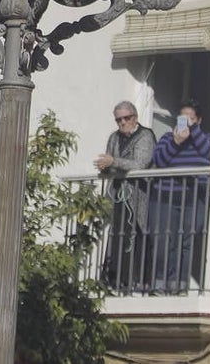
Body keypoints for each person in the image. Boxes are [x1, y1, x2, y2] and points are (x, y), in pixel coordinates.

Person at [148, 99, 210, 293]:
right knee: (163, 240)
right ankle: (160, 282)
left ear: (198, 120)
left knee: (186, 242)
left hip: (195, 197)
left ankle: (180, 284)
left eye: (190, 118)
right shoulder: (168, 138)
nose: (185, 121)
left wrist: (194, 132)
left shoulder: (206, 138)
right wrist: (176, 142)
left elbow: (208, 153)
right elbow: (159, 160)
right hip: (166, 196)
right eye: (182, 118)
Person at [94, 101, 156, 291]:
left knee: (136, 235)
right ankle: (114, 280)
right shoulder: (114, 138)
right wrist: (105, 167)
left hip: (139, 195)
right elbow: (111, 164)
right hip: (118, 194)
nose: (122, 122)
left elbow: (140, 164)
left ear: (135, 118)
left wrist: (113, 162)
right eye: (118, 119)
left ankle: (136, 281)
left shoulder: (145, 136)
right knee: (117, 236)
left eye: (126, 118)